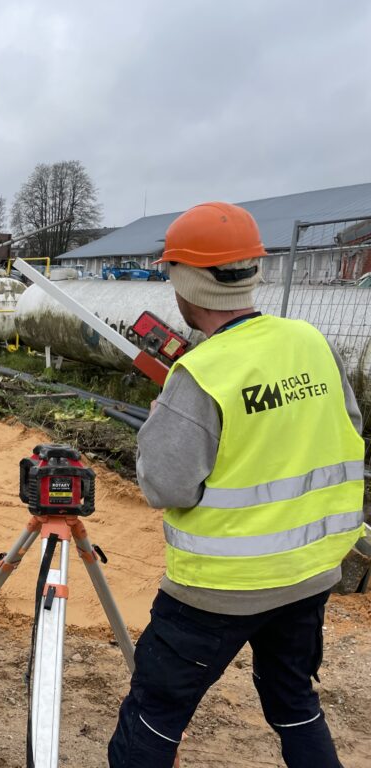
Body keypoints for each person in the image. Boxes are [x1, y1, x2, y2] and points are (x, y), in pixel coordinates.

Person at [108, 202, 365, 767]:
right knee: (295, 704)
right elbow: (346, 428)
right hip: (308, 574)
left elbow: (166, 486)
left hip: (217, 591)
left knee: (153, 717)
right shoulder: (312, 343)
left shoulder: (201, 373)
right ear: (253, 271)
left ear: (183, 279)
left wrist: (163, 426)